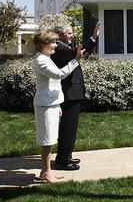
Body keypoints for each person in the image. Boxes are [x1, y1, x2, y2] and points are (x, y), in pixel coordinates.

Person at [33, 30, 84, 183]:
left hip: (52, 103)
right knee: (46, 140)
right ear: (42, 45)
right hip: (46, 104)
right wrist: (76, 60)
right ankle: (46, 172)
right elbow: (59, 75)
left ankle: (46, 171)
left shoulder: (46, 58)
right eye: (52, 43)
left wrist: (58, 105)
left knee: (50, 138)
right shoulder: (41, 60)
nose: (55, 45)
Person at [51, 22, 100, 171]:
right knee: (68, 127)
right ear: (60, 35)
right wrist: (92, 38)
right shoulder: (59, 48)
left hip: (72, 91)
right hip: (69, 92)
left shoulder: (62, 47)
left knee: (71, 128)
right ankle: (62, 160)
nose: (71, 35)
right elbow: (77, 53)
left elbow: (77, 53)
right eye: (69, 33)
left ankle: (67, 155)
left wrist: (92, 39)